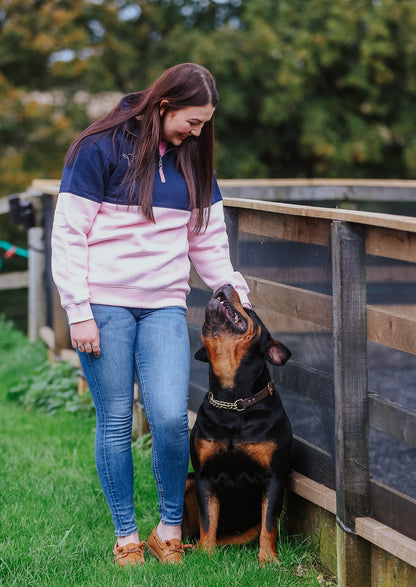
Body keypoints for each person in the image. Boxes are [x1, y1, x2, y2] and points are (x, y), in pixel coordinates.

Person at [51, 63, 250, 567]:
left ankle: (167, 529)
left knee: (167, 417)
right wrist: (78, 311)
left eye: (205, 124)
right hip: (103, 304)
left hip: (164, 304)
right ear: (164, 106)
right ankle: (125, 536)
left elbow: (208, 242)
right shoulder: (97, 149)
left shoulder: (193, 162)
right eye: (193, 122)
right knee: (116, 420)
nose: (198, 133)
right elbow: (69, 235)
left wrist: (236, 295)